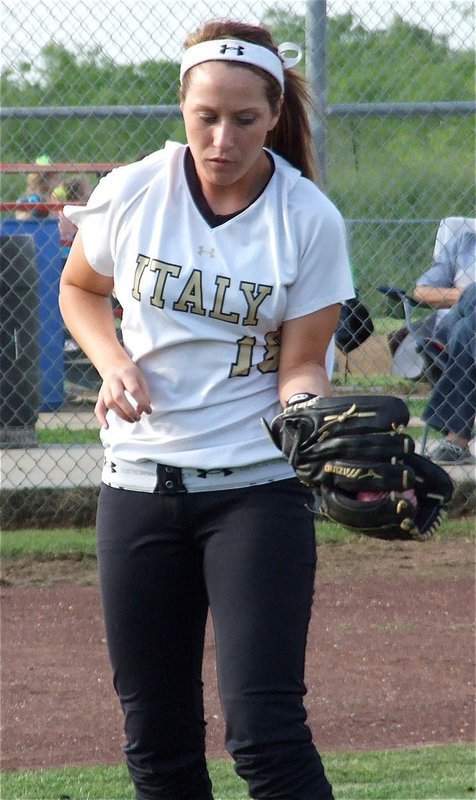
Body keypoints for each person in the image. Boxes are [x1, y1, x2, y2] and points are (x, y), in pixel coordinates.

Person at [59, 19, 354, 800]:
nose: (222, 137)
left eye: (245, 119)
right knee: (156, 742)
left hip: (255, 491)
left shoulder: (308, 218)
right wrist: (113, 360)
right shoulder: (135, 189)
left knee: (265, 736)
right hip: (138, 488)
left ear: (276, 114)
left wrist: (310, 420)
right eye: (206, 116)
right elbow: (81, 289)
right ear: (182, 106)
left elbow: (301, 364)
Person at [412, 220, 475, 464]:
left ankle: (456, 440)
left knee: (467, 330)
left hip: (463, 336)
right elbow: (422, 291)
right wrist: (465, 295)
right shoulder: (463, 243)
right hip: (447, 330)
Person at [15, 155, 59, 219]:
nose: (58, 180)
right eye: (54, 177)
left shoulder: (55, 198)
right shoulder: (28, 199)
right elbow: (20, 219)